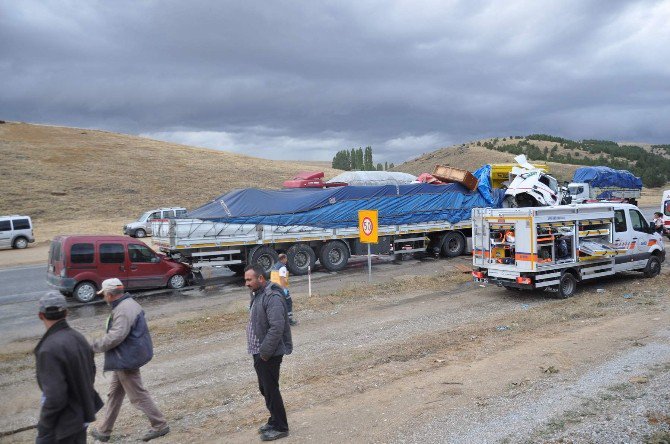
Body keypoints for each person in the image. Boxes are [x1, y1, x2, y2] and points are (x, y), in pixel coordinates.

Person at [89, 278, 170, 442]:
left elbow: (116, 336)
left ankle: (160, 424)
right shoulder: (127, 304)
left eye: (104, 294)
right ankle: (104, 431)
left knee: (138, 395)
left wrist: (92, 347)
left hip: (126, 359)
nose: (103, 297)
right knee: (114, 395)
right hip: (126, 357)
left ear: (110, 295)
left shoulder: (123, 310)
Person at [34, 291, 103, 444]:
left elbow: (55, 397)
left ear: (40, 315)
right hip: (80, 416)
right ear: (66, 312)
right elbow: (90, 374)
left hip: (61, 425)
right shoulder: (79, 338)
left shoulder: (48, 349)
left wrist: (44, 426)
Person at [245, 264, 293, 441]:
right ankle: (273, 421)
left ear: (261, 279)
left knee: (271, 389)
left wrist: (264, 353)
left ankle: (281, 427)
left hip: (269, 353)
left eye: (249, 279)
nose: (246, 283)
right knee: (265, 388)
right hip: (260, 352)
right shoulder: (257, 294)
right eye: (245, 280)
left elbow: (277, 327)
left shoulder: (271, 297)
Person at [270, 254, 297, 325]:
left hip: (273, 288)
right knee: (288, 303)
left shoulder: (275, 266)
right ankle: (289, 320)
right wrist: (284, 289)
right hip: (281, 289)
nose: (287, 260)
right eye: (286, 259)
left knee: (278, 305)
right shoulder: (282, 267)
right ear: (283, 259)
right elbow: (282, 279)